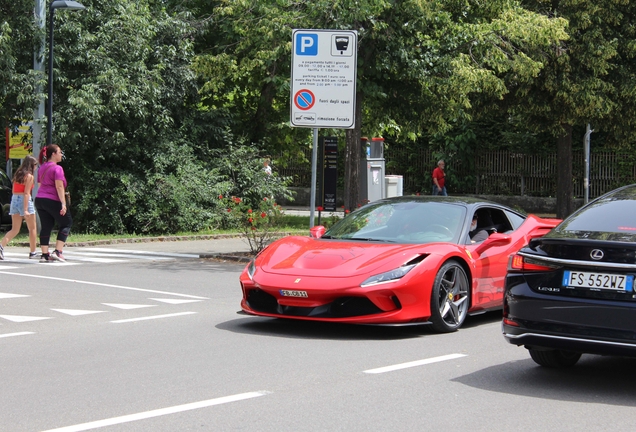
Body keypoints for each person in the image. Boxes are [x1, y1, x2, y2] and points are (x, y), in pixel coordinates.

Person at [35, 144, 72, 262]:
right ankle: (58, 251)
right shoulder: (57, 168)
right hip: (52, 199)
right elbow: (59, 186)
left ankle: (44, 254)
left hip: (40, 199)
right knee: (66, 223)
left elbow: (40, 185)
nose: (61, 155)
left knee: (46, 226)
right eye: (60, 152)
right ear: (53, 154)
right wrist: (63, 204)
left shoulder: (42, 168)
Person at [0, 156, 38, 260]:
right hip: (24, 199)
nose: (36, 167)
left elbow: (13, 190)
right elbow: (26, 193)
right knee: (32, 228)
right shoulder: (29, 176)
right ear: (31, 165)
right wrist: (25, 209)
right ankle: (33, 252)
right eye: (35, 165)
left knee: (15, 229)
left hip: (15, 199)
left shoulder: (18, 175)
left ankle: (1, 246)